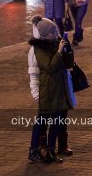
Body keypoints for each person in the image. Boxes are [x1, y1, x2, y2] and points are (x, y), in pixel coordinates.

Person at [27, 16, 75, 164]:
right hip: (48, 91)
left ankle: (50, 151)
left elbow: (68, 65)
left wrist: (67, 50)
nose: (56, 33)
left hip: (59, 90)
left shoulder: (54, 43)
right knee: (42, 122)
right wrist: (59, 52)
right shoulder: (39, 49)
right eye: (53, 31)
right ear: (46, 34)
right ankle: (33, 151)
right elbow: (50, 67)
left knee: (57, 122)